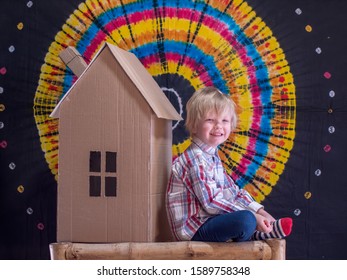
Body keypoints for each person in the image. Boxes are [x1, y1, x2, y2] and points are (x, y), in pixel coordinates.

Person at [166, 86, 292, 242]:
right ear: (193, 125)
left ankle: (260, 229)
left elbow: (232, 191)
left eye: (224, 120)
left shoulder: (211, 155)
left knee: (248, 217)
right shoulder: (195, 159)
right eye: (210, 120)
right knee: (245, 220)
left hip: (211, 220)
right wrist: (253, 216)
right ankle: (254, 231)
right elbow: (211, 203)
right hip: (194, 229)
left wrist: (260, 211)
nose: (218, 126)